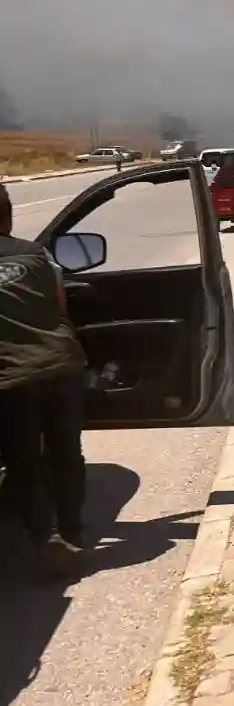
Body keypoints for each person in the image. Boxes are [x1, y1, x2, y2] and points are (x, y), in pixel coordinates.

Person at [0, 181, 90, 578]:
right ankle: (72, 532)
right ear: (9, 216)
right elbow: (60, 307)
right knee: (66, 452)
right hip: (63, 364)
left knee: (25, 463)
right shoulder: (38, 254)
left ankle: (45, 538)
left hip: (14, 377)